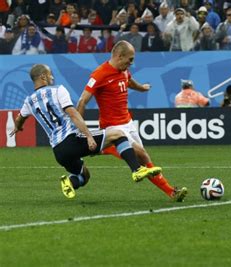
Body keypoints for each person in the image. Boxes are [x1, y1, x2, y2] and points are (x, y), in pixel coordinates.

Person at [10, 64, 162, 199]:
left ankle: (71, 181)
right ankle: (136, 169)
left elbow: (20, 118)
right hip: (72, 140)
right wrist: (88, 136)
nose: (52, 77)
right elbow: (74, 114)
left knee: (84, 175)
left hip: (59, 152)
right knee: (117, 134)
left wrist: (18, 127)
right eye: (50, 74)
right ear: (43, 76)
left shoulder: (29, 101)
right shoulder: (58, 90)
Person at [76, 40, 188, 202]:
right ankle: (171, 192)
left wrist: (141, 88)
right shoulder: (99, 74)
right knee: (141, 154)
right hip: (113, 127)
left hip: (128, 123)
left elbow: (128, 80)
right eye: (130, 59)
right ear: (120, 56)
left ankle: (106, 149)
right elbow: (82, 101)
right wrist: (80, 129)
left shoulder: (123, 70)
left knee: (144, 160)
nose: (131, 63)